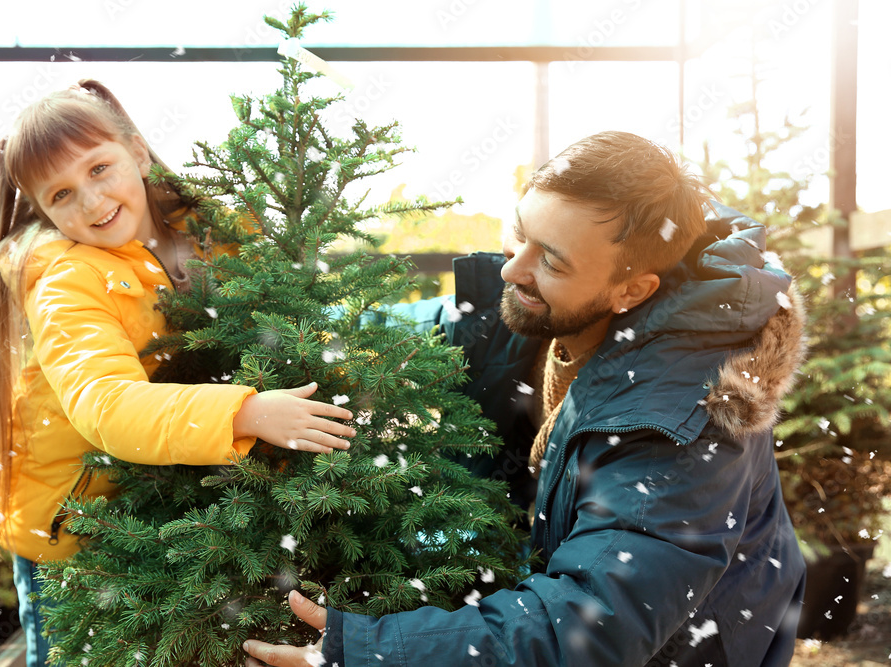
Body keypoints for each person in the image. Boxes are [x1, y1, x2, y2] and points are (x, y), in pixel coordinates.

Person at [244, 131, 807, 667]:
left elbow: (590, 624)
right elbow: (389, 333)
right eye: (519, 232)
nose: (512, 268)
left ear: (631, 290)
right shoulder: (537, 313)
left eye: (552, 261)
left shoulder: (682, 419)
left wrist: (374, 650)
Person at [0, 79, 357, 666]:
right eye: (62, 195)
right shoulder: (66, 282)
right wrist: (248, 412)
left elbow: (294, 306)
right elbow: (108, 406)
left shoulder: (213, 230)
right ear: (44, 211)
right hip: (76, 529)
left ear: (139, 153)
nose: (92, 203)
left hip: (161, 507)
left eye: (100, 169)